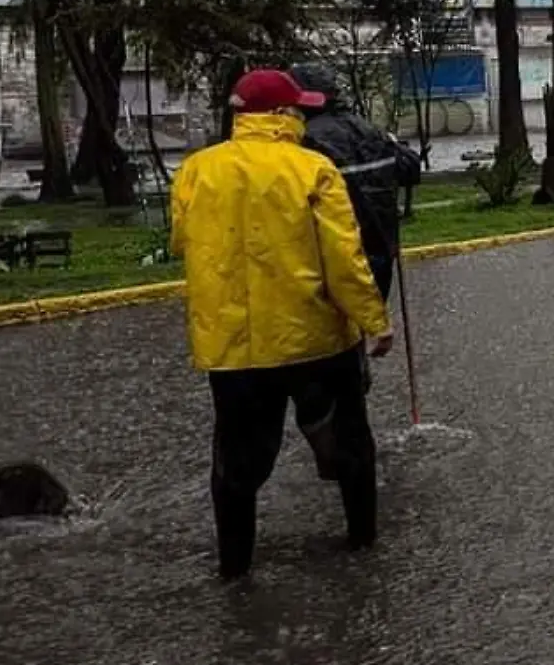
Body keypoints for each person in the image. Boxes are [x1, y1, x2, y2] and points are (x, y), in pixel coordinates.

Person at [170, 68, 394, 580]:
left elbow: (181, 241)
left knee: (235, 464)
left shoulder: (195, 171)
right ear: (278, 115)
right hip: (314, 342)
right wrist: (374, 321)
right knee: (351, 447)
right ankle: (362, 546)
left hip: (233, 350)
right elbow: (344, 258)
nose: (300, 115)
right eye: (295, 108)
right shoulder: (312, 170)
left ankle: (235, 568)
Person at [289, 63, 423, 301]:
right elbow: (410, 170)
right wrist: (396, 147)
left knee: (338, 326)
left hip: (333, 251)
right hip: (380, 248)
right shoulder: (369, 129)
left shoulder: (305, 138)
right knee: (370, 316)